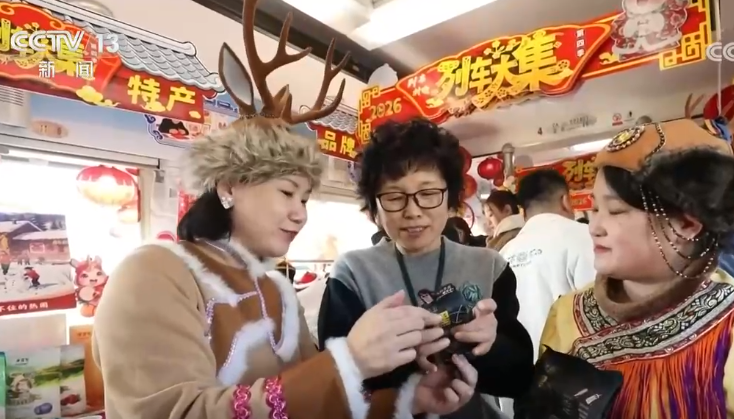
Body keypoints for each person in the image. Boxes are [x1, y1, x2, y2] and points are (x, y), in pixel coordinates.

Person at [92, 3, 473, 418]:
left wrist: (407, 400)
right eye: (287, 192)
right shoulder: (155, 272)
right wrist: (348, 361)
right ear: (228, 186)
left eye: (305, 199)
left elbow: (318, 405)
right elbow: (177, 411)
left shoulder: (278, 290)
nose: (300, 214)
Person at [538, 71, 734, 418]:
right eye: (595, 210)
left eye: (615, 211)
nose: (594, 227)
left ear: (687, 223)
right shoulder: (567, 315)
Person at [319, 118, 533, 419]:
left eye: (428, 194)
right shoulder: (353, 274)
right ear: (374, 209)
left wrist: (489, 345)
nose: (413, 211)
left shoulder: (488, 266)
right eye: (395, 197)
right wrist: (406, 363)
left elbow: (518, 378)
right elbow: (333, 385)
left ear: (450, 200)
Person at [501, 168, 596, 351]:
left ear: (523, 212)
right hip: (573, 362)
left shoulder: (505, 252)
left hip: (518, 363)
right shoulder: (585, 236)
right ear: (565, 201)